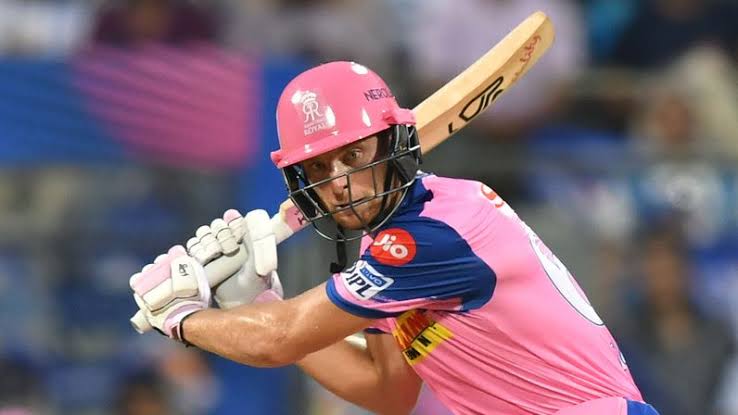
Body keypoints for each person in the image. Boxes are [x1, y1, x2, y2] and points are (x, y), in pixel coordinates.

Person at [128, 61, 660, 414]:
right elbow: (387, 390)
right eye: (319, 168)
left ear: (392, 144)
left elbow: (279, 340)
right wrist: (257, 304)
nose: (339, 182)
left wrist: (182, 318)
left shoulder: (431, 236)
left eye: (353, 156)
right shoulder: (391, 242)